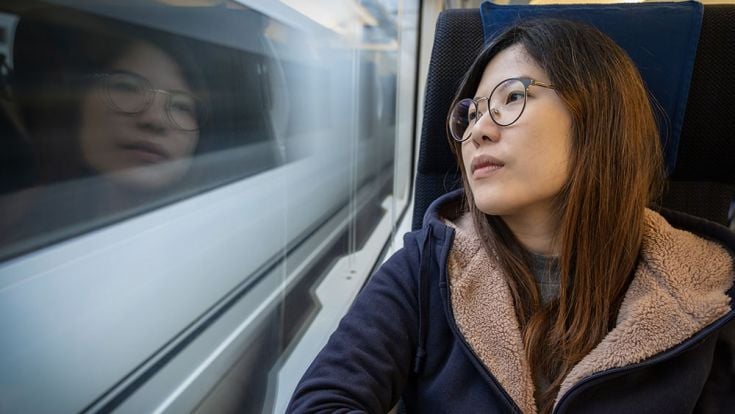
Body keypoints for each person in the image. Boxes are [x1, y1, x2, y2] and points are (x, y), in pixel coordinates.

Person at [287, 19, 735, 413]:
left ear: (598, 115)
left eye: (512, 97)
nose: (478, 130)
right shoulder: (428, 267)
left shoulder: (706, 293)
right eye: (472, 114)